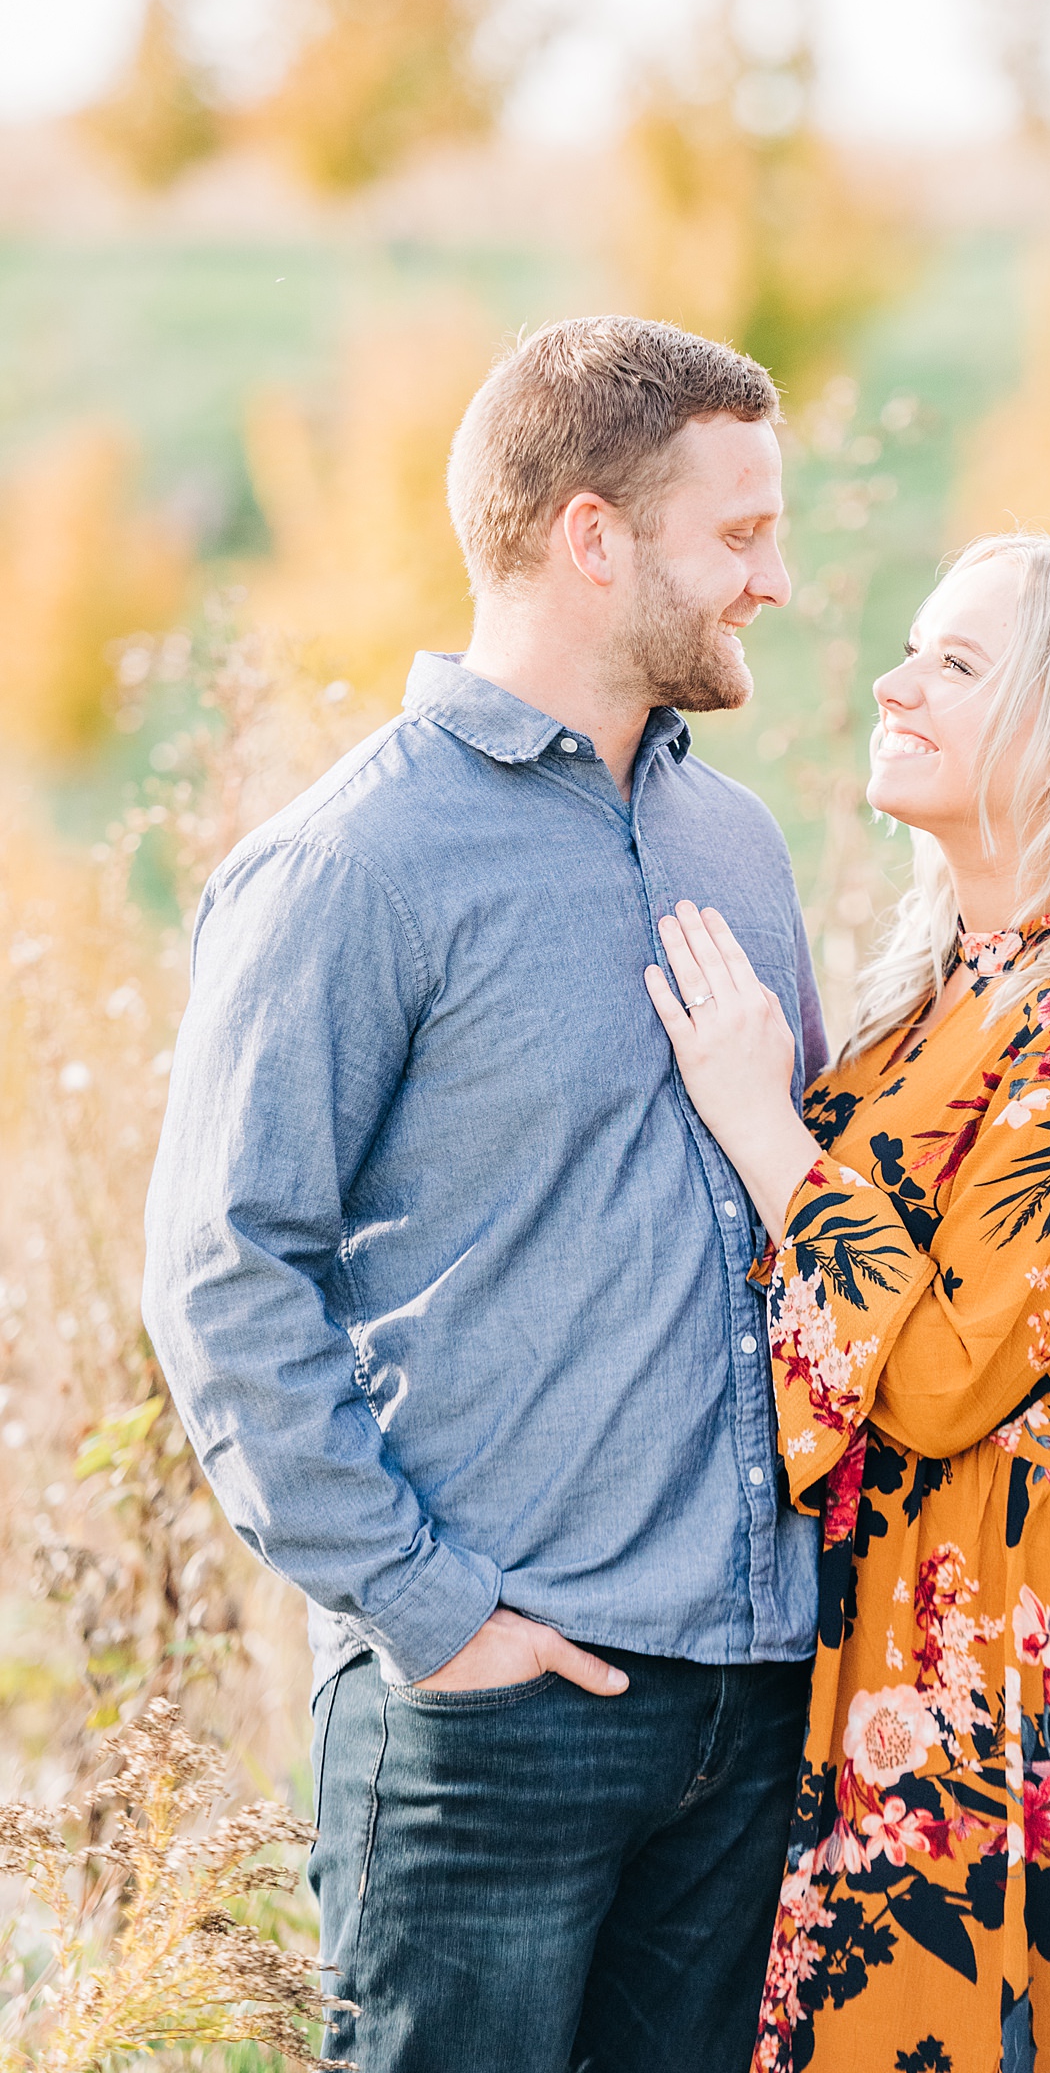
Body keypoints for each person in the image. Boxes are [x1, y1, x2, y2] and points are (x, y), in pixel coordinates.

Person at [143, 317, 828, 2073]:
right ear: (592, 539)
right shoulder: (351, 864)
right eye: (738, 533)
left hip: (745, 1702)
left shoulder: (734, 846)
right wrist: (434, 1621)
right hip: (489, 1717)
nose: (779, 580)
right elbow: (226, 1273)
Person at [646, 533, 1050, 2073]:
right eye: (911, 646)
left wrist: (756, 1117)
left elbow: (926, 1382)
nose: (891, 682)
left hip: (1019, 1670)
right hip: (886, 1627)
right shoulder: (943, 993)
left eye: (957, 666)